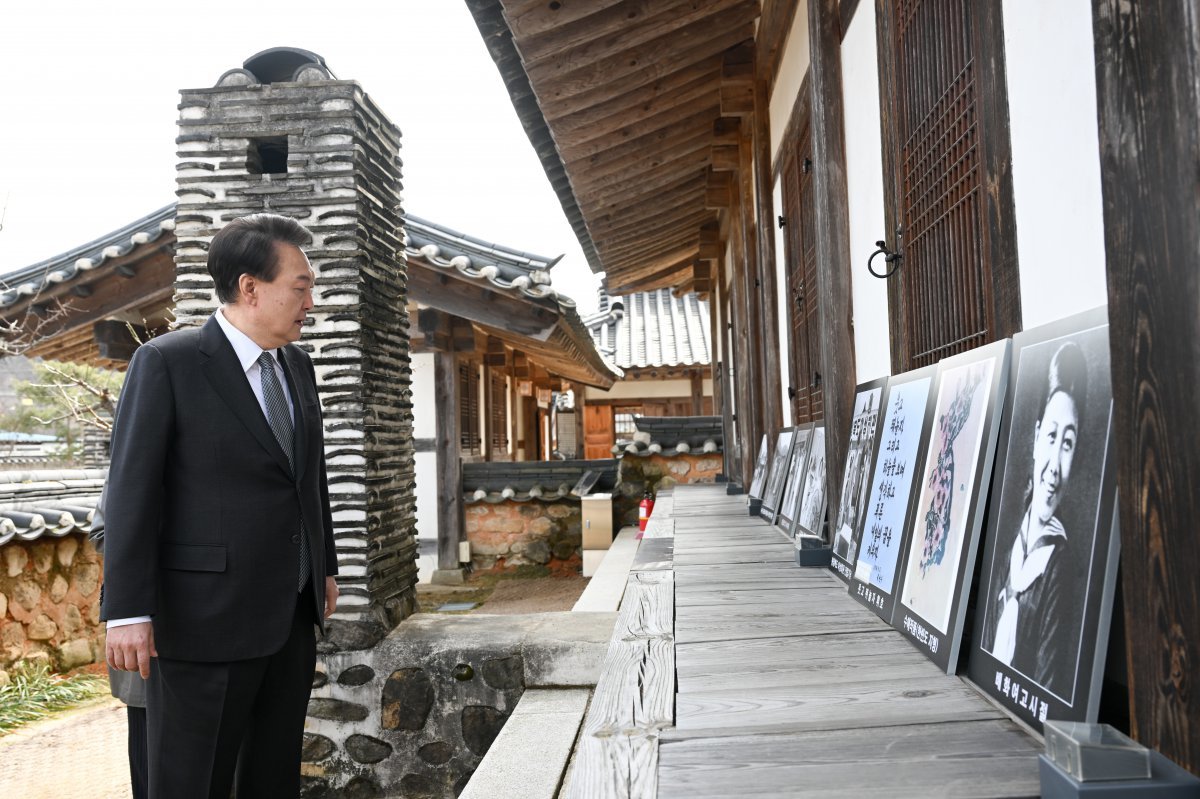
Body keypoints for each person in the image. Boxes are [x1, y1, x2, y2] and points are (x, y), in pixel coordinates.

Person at [102, 214, 339, 799]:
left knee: (271, 777)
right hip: (202, 620)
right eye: (301, 286)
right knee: (193, 781)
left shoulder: (297, 366)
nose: (311, 300)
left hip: (289, 615)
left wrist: (325, 564)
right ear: (249, 287)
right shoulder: (169, 362)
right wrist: (128, 609)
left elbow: (308, 478)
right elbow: (133, 491)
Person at [986, 341, 1087, 696]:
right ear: (1035, 438)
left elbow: (1045, 688)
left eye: (1069, 443)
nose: (1055, 468)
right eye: (1051, 437)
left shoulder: (1059, 565)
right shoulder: (1013, 546)